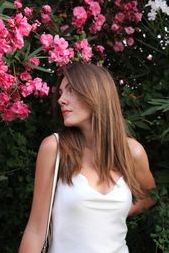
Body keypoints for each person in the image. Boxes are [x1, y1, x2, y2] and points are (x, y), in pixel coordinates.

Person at [18, 62, 156, 253]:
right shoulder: (55, 148)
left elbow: (149, 196)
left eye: (70, 91)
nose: (61, 100)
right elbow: (35, 230)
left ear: (96, 94)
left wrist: (117, 213)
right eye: (61, 93)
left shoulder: (132, 152)